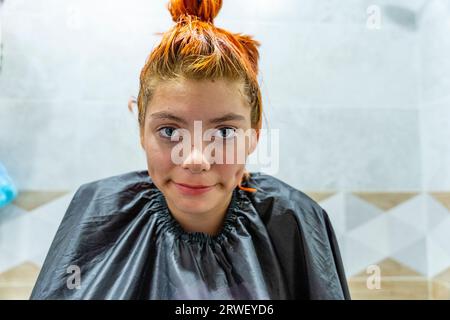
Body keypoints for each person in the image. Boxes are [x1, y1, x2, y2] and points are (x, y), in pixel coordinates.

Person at [30, 0, 350, 300]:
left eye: (224, 132)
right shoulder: (96, 211)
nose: (196, 159)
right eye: (170, 131)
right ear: (141, 130)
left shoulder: (295, 220)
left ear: (254, 136)